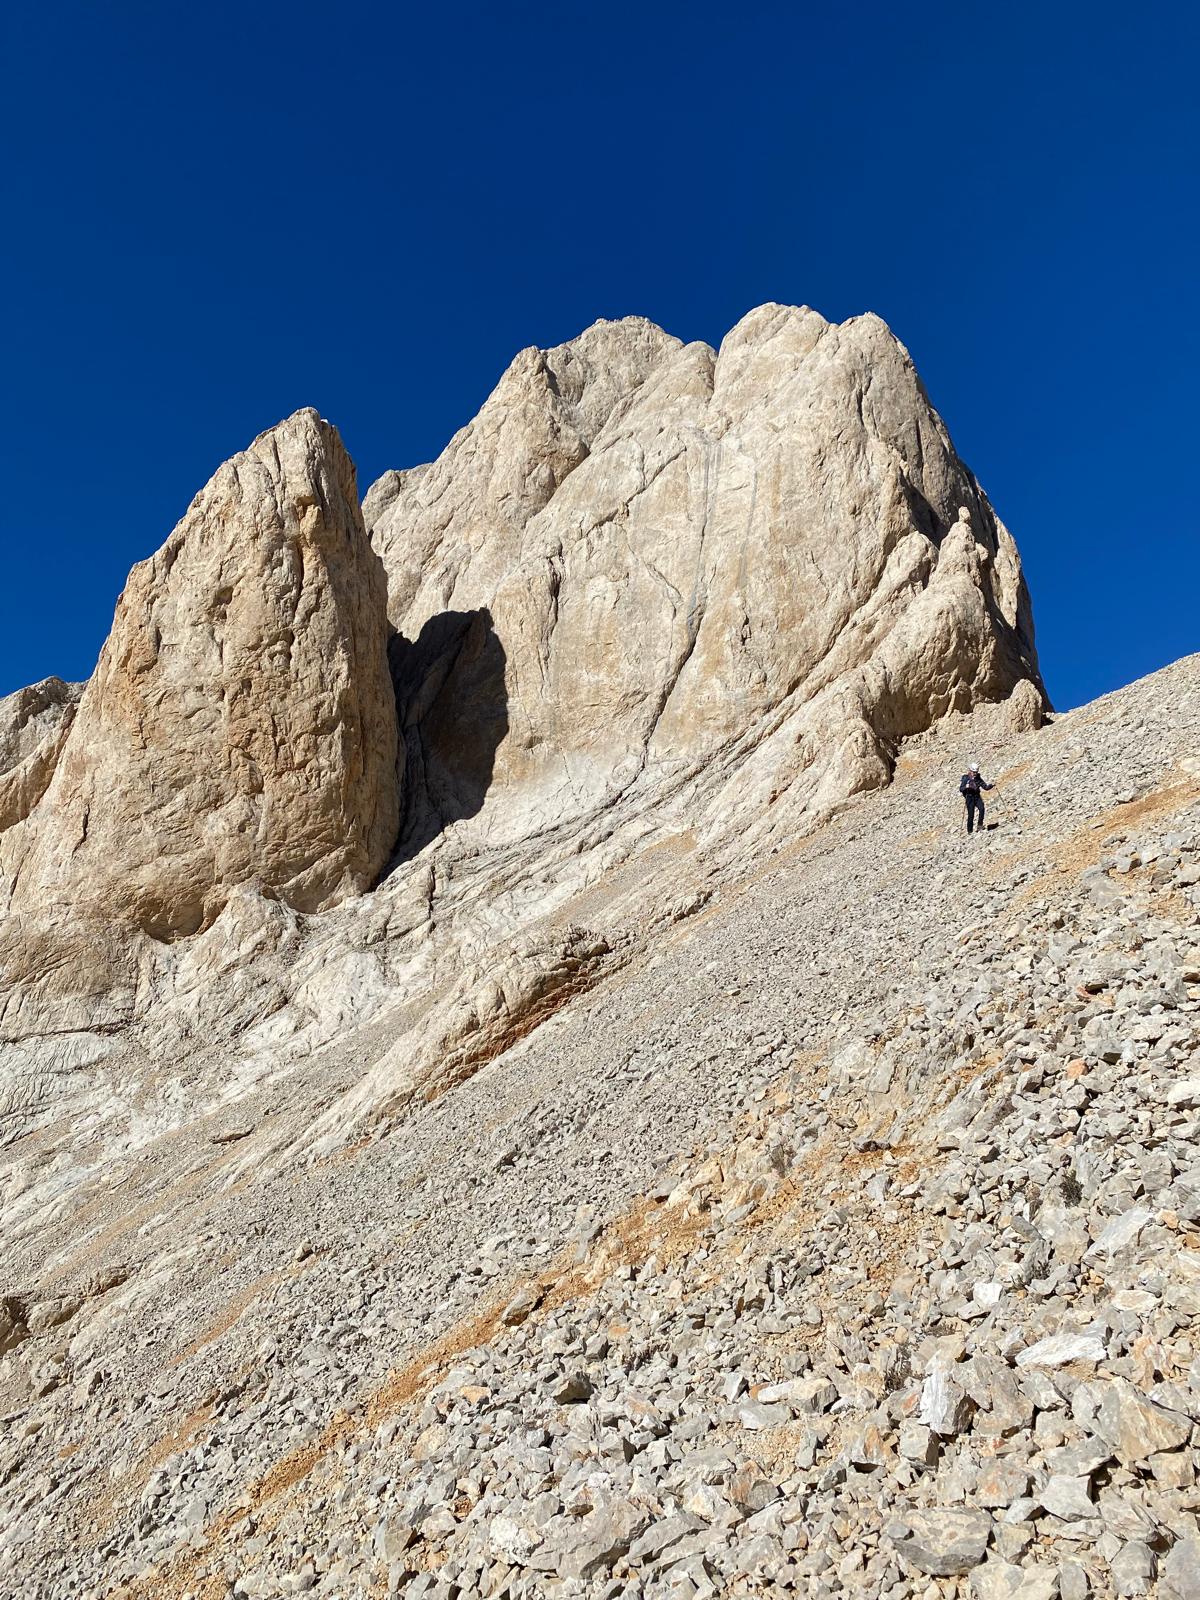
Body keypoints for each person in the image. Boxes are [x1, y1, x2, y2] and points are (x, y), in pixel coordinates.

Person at [959, 761, 993, 835]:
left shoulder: (978, 778)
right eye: (974, 772)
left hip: (977, 796)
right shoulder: (965, 778)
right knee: (971, 814)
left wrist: (991, 786)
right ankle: (970, 831)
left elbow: (985, 787)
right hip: (969, 798)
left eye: (976, 772)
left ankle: (979, 825)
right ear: (970, 771)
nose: (975, 773)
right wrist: (966, 787)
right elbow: (961, 789)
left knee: (982, 808)